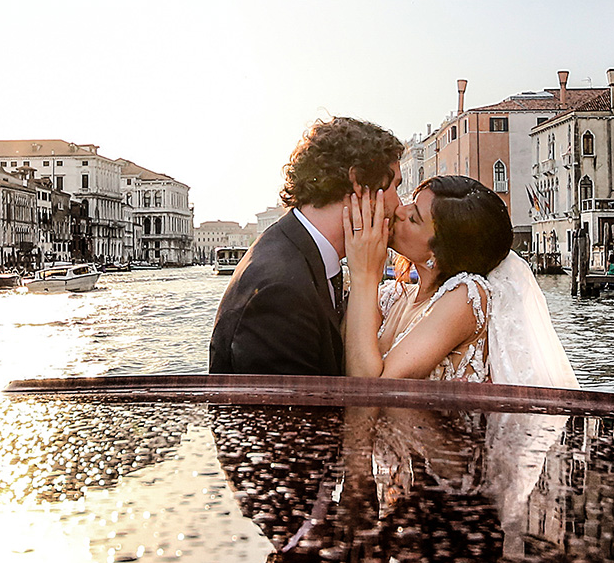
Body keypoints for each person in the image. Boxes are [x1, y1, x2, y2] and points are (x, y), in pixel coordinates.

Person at [208, 117, 403, 376]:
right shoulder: (281, 293)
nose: (400, 205)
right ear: (358, 182)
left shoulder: (297, 252)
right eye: (396, 187)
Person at [341, 174, 577, 388]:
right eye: (411, 203)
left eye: (414, 218)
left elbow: (373, 389)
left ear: (437, 253)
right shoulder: (391, 296)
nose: (400, 212)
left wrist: (364, 275)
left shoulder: (466, 296)